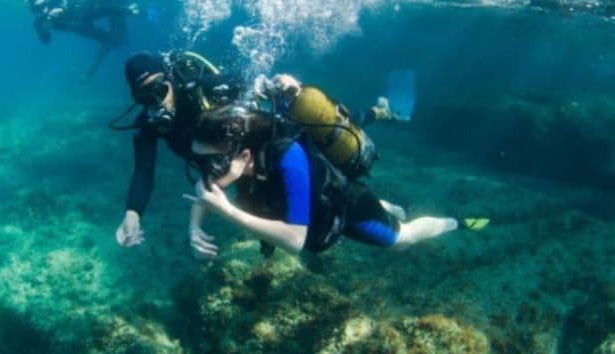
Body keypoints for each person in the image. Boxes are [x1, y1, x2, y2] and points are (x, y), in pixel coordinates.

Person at [185, 104, 486, 259]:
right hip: (314, 202)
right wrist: (194, 226)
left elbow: (294, 240)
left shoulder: (288, 158)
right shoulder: (236, 160)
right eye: (200, 161)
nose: (206, 170)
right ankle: (387, 205)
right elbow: (206, 192)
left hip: (344, 208)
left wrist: (227, 211)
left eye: (210, 162)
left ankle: (455, 222)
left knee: (401, 241)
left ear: (245, 155)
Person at [111, 51, 244, 248]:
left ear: (170, 81)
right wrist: (133, 213)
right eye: (145, 97)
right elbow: (143, 171)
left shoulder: (204, 90)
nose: (156, 102)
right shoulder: (148, 123)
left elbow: (248, 88)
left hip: (245, 158)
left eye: (159, 90)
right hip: (216, 173)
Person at [27, 0, 142, 80]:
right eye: (38, 9)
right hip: (79, 28)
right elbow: (46, 41)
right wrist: (44, 30)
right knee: (109, 40)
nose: (43, 10)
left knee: (110, 10)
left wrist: (62, 8)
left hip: (83, 13)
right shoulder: (39, 22)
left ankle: (132, 10)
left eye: (43, 6)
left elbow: (66, 1)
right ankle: (120, 44)